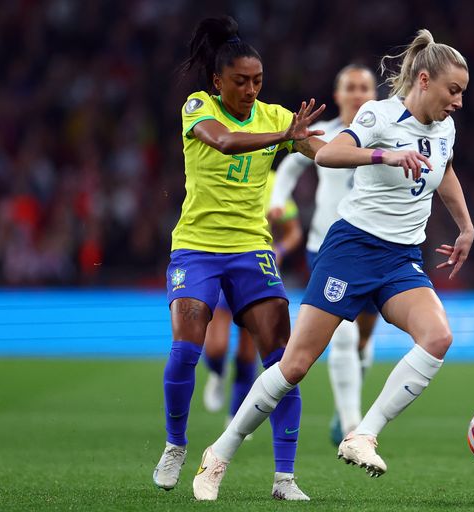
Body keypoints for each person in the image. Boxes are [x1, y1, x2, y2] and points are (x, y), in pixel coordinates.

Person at [193, 28, 473, 500]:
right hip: (351, 249)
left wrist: (465, 226)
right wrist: (385, 153)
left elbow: (443, 169)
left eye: (462, 93)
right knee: (296, 365)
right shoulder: (380, 114)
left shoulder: (444, 127)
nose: (459, 102)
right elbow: (331, 152)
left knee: (438, 337)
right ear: (424, 80)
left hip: (402, 257)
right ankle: (220, 452)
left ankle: (363, 434)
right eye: (454, 91)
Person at [152, 16, 325, 501]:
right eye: (241, 81)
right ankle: (175, 445)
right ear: (217, 80)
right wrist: (284, 137)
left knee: (285, 361)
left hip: (252, 248)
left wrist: (371, 154)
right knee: (187, 349)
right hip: (197, 248)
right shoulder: (198, 106)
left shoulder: (275, 116)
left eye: (258, 81)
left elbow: (318, 150)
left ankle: (284, 479)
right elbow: (224, 141)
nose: (251, 90)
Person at [269, 64, 378, 445]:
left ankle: (347, 406)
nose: (358, 93)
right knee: (344, 336)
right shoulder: (328, 135)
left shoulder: (388, 136)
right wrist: (278, 201)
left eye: (364, 86)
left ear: (374, 93)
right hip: (327, 248)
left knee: (363, 338)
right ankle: (351, 423)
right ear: (338, 94)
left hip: (376, 249)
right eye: (351, 86)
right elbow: (291, 163)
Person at [203, 171, 303, 423]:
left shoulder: (273, 182)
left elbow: (293, 231)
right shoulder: (220, 168)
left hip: (253, 269)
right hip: (221, 262)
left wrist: (278, 249)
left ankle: (234, 416)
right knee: (216, 348)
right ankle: (217, 371)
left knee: (247, 351)